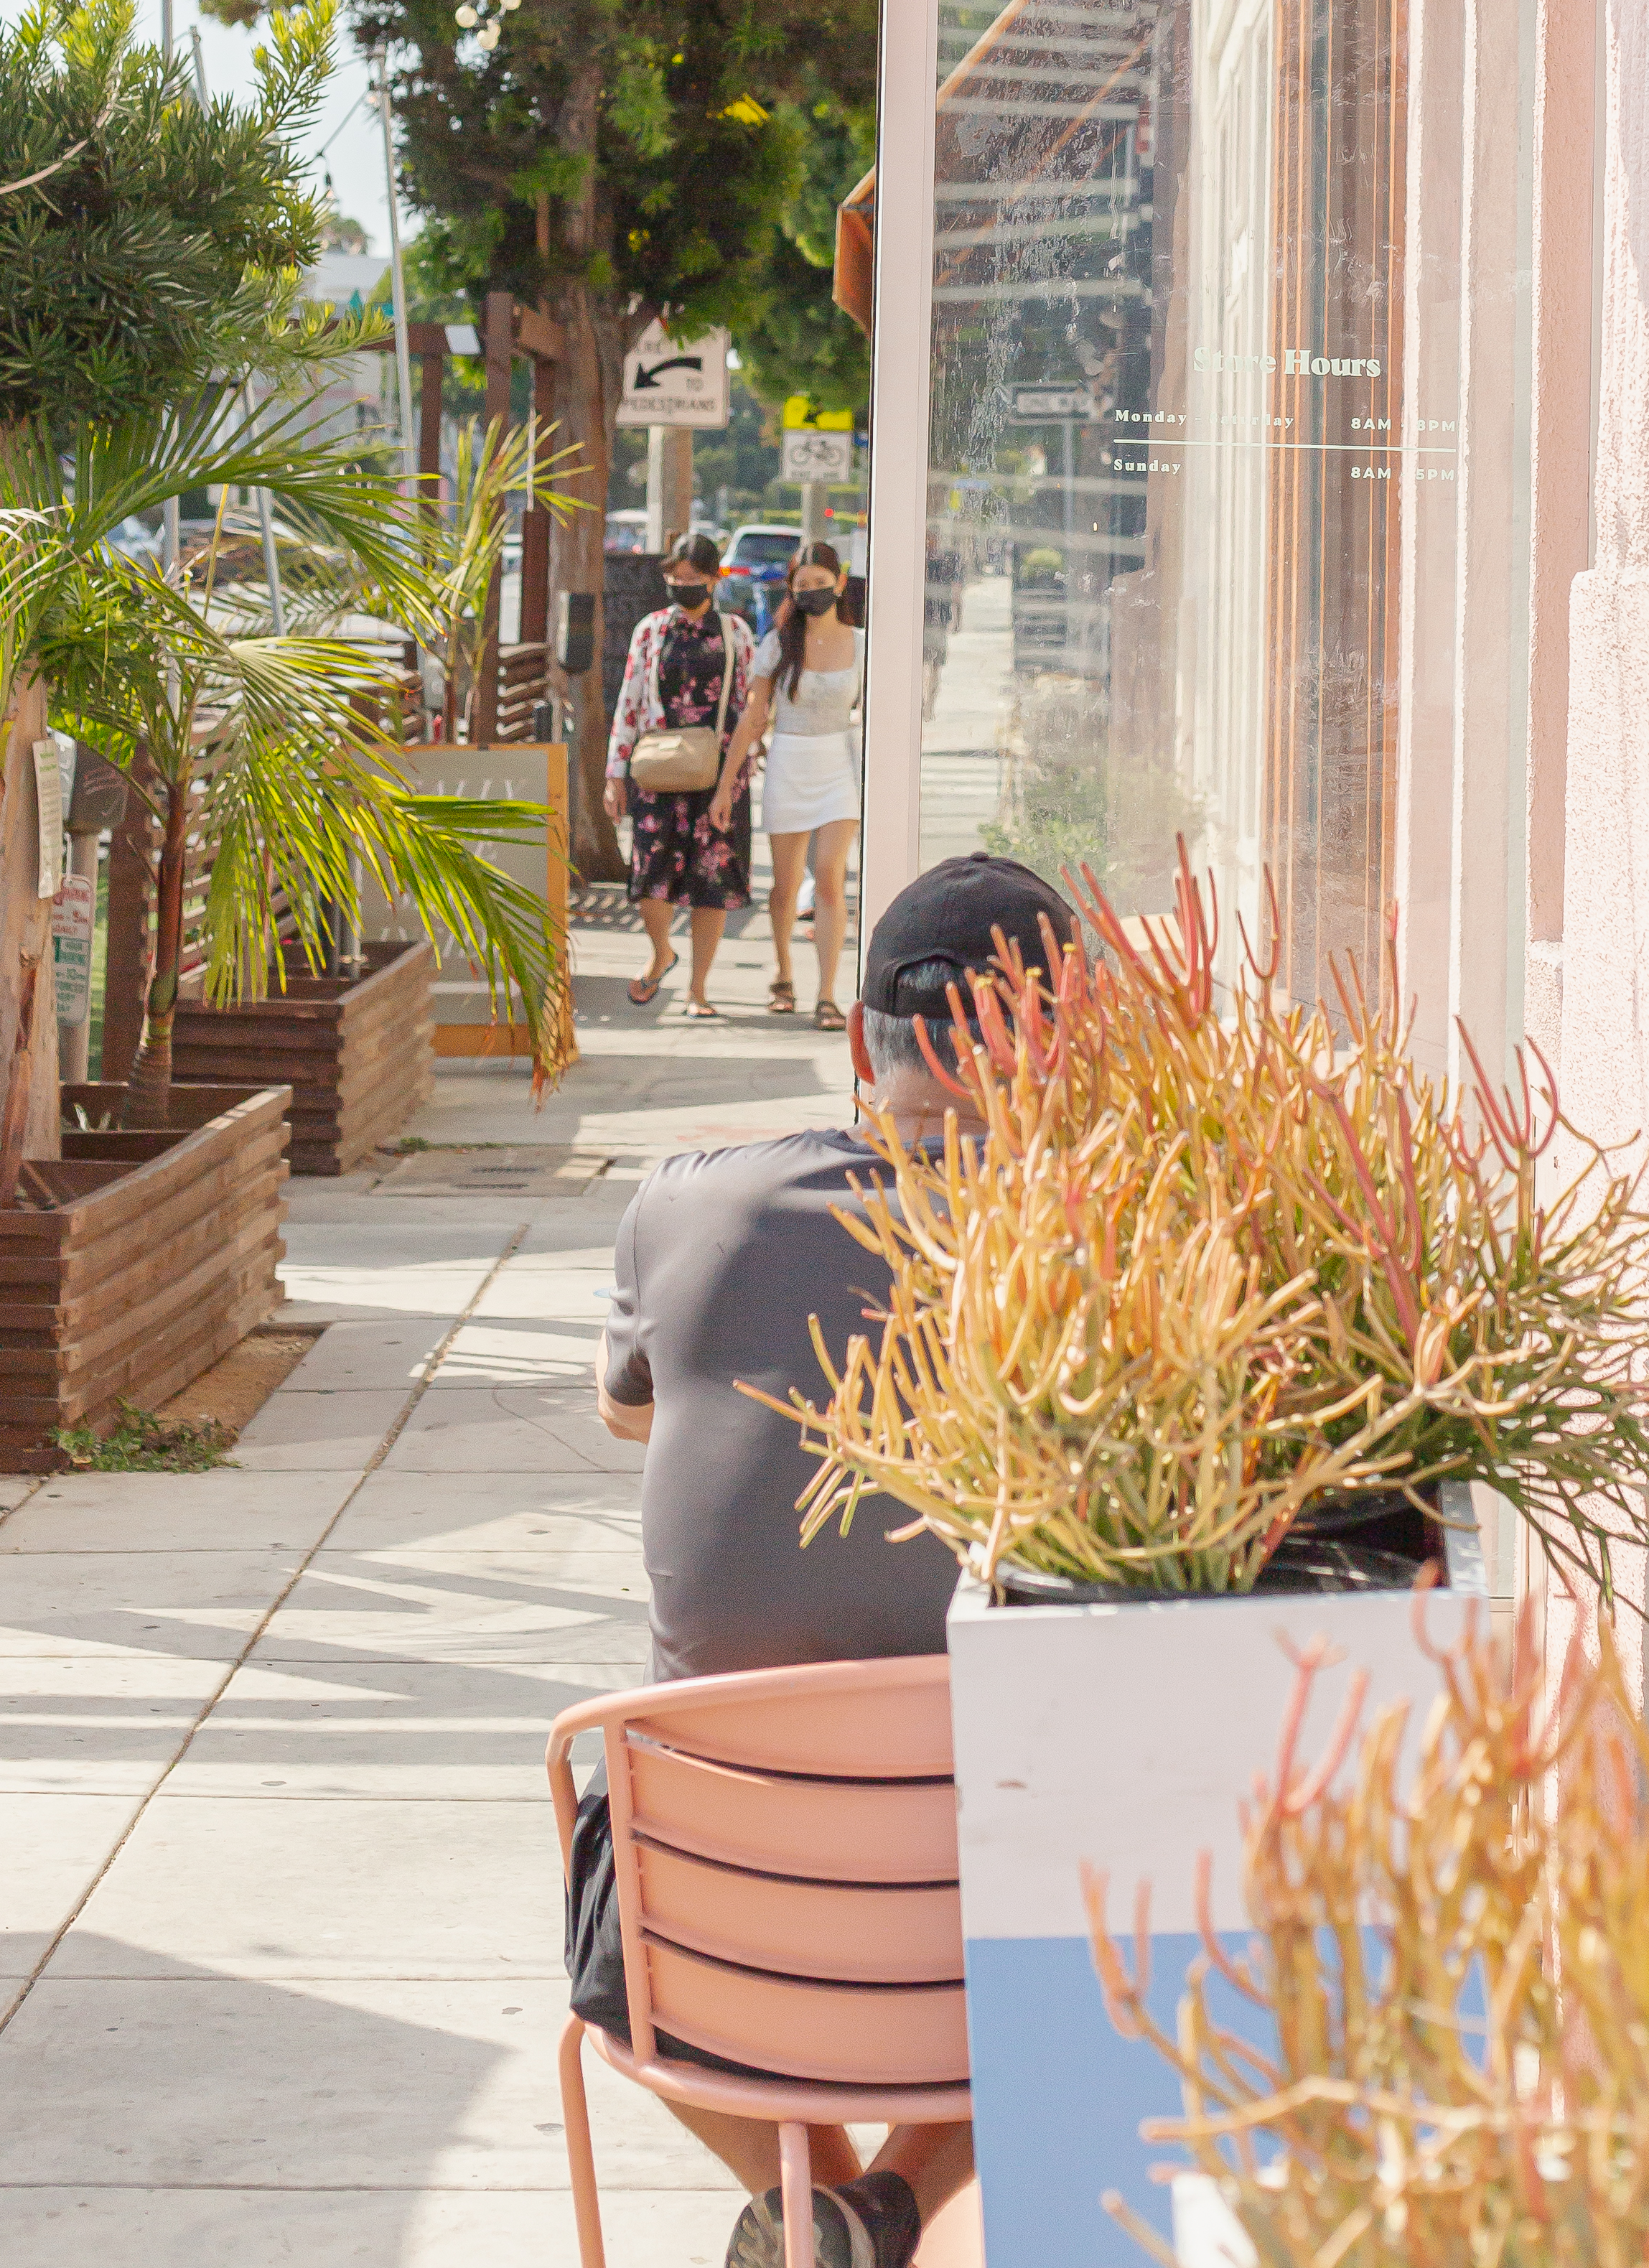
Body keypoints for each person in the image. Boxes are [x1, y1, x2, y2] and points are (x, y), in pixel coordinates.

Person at [578, 854, 1080, 2268]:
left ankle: (816, 2213)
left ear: (862, 1041)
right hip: (981, 1938)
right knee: (1127, 1852)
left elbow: (626, 1411)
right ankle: (887, 2206)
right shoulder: (1124, 1253)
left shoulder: (689, 1205)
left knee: (614, 1827)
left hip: (713, 1940)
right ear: (1071, 1049)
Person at [708, 540, 862, 1027]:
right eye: (803, 585)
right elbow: (754, 717)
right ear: (791, 591)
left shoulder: (863, 643)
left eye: (821, 583)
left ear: (840, 584)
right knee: (786, 883)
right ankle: (783, 972)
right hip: (789, 761)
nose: (813, 592)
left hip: (840, 764)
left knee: (830, 880)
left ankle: (827, 994)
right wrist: (725, 785)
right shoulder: (777, 644)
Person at [605, 529, 755, 1017]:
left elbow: (748, 706)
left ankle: (698, 990)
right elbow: (629, 699)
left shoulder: (735, 633)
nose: (682, 586)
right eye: (676, 577)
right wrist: (615, 773)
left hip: (718, 773)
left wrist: (739, 775)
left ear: (713, 579)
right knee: (650, 874)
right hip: (658, 769)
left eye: (693, 578)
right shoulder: (651, 629)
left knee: (711, 881)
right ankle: (661, 952)